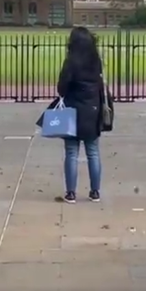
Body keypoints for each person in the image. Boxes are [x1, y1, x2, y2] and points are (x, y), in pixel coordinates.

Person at [56, 26, 105, 203]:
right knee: (93, 152)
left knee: (71, 153)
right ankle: (95, 191)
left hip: (73, 110)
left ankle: (71, 192)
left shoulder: (71, 62)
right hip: (92, 110)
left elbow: (61, 88)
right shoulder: (96, 61)